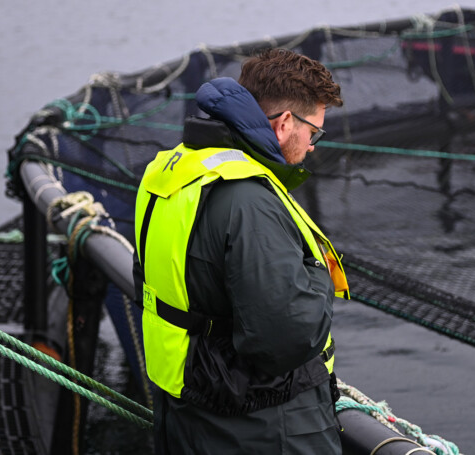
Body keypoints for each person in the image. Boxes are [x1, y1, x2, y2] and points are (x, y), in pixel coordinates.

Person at [133, 47, 350, 454]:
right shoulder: (248, 200)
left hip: (186, 408)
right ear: (286, 123)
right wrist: (317, 272)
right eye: (314, 132)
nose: (314, 145)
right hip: (261, 427)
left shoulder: (173, 168)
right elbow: (285, 337)